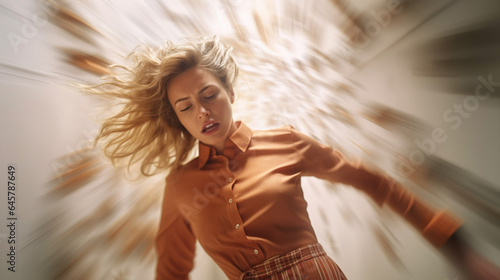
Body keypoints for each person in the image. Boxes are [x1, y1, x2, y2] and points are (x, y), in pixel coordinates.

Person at [89, 35, 499, 280]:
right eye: (185, 107)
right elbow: (172, 273)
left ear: (230, 93)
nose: (202, 112)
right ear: (178, 119)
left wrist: (456, 245)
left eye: (209, 95)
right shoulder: (179, 186)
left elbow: (375, 182)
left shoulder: (287, 142)